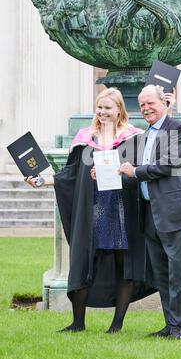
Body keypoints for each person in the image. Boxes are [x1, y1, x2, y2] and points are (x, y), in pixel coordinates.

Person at [25, 88, 157, 333]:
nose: (103, 112)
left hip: (122, 209)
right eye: (100, 107)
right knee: (84, 261)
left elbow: (142, 171)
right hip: (93, 209)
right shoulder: (85, 137)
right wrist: (42, 181)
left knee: (124, 264)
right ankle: (78, 323)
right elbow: (70, 175)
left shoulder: (135, 138)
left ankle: (116, 325)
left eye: (108, 108)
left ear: (119, 110)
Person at [119, 85, 181, 340]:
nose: (145, 109)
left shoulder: (177, 129)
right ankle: (170, 324)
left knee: (177, 270)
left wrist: (135, 171)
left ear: (164, 102)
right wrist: (111, 172)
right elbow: (138, 172)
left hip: (173, 211)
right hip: (150, 212)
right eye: (141, 105)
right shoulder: (145, 135)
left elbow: (168, 165)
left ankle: (179, 326)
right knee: (161, 272)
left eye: (150, 103)